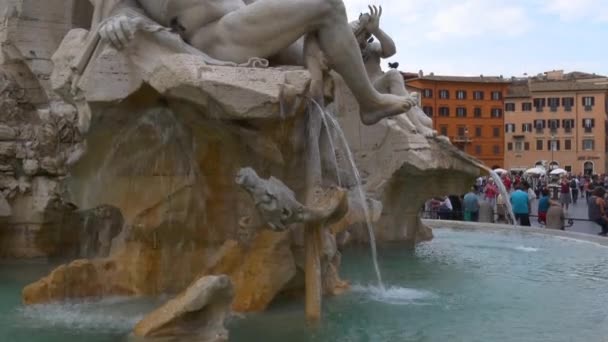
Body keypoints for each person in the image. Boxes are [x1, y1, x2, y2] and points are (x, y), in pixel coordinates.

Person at [99, 0, 418, 126]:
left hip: (247, 28)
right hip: (217, 37)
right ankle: (370, 102)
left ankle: (314, 58)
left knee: (327, 25)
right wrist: (116, 20)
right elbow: (117, 9)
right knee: (328, 5)